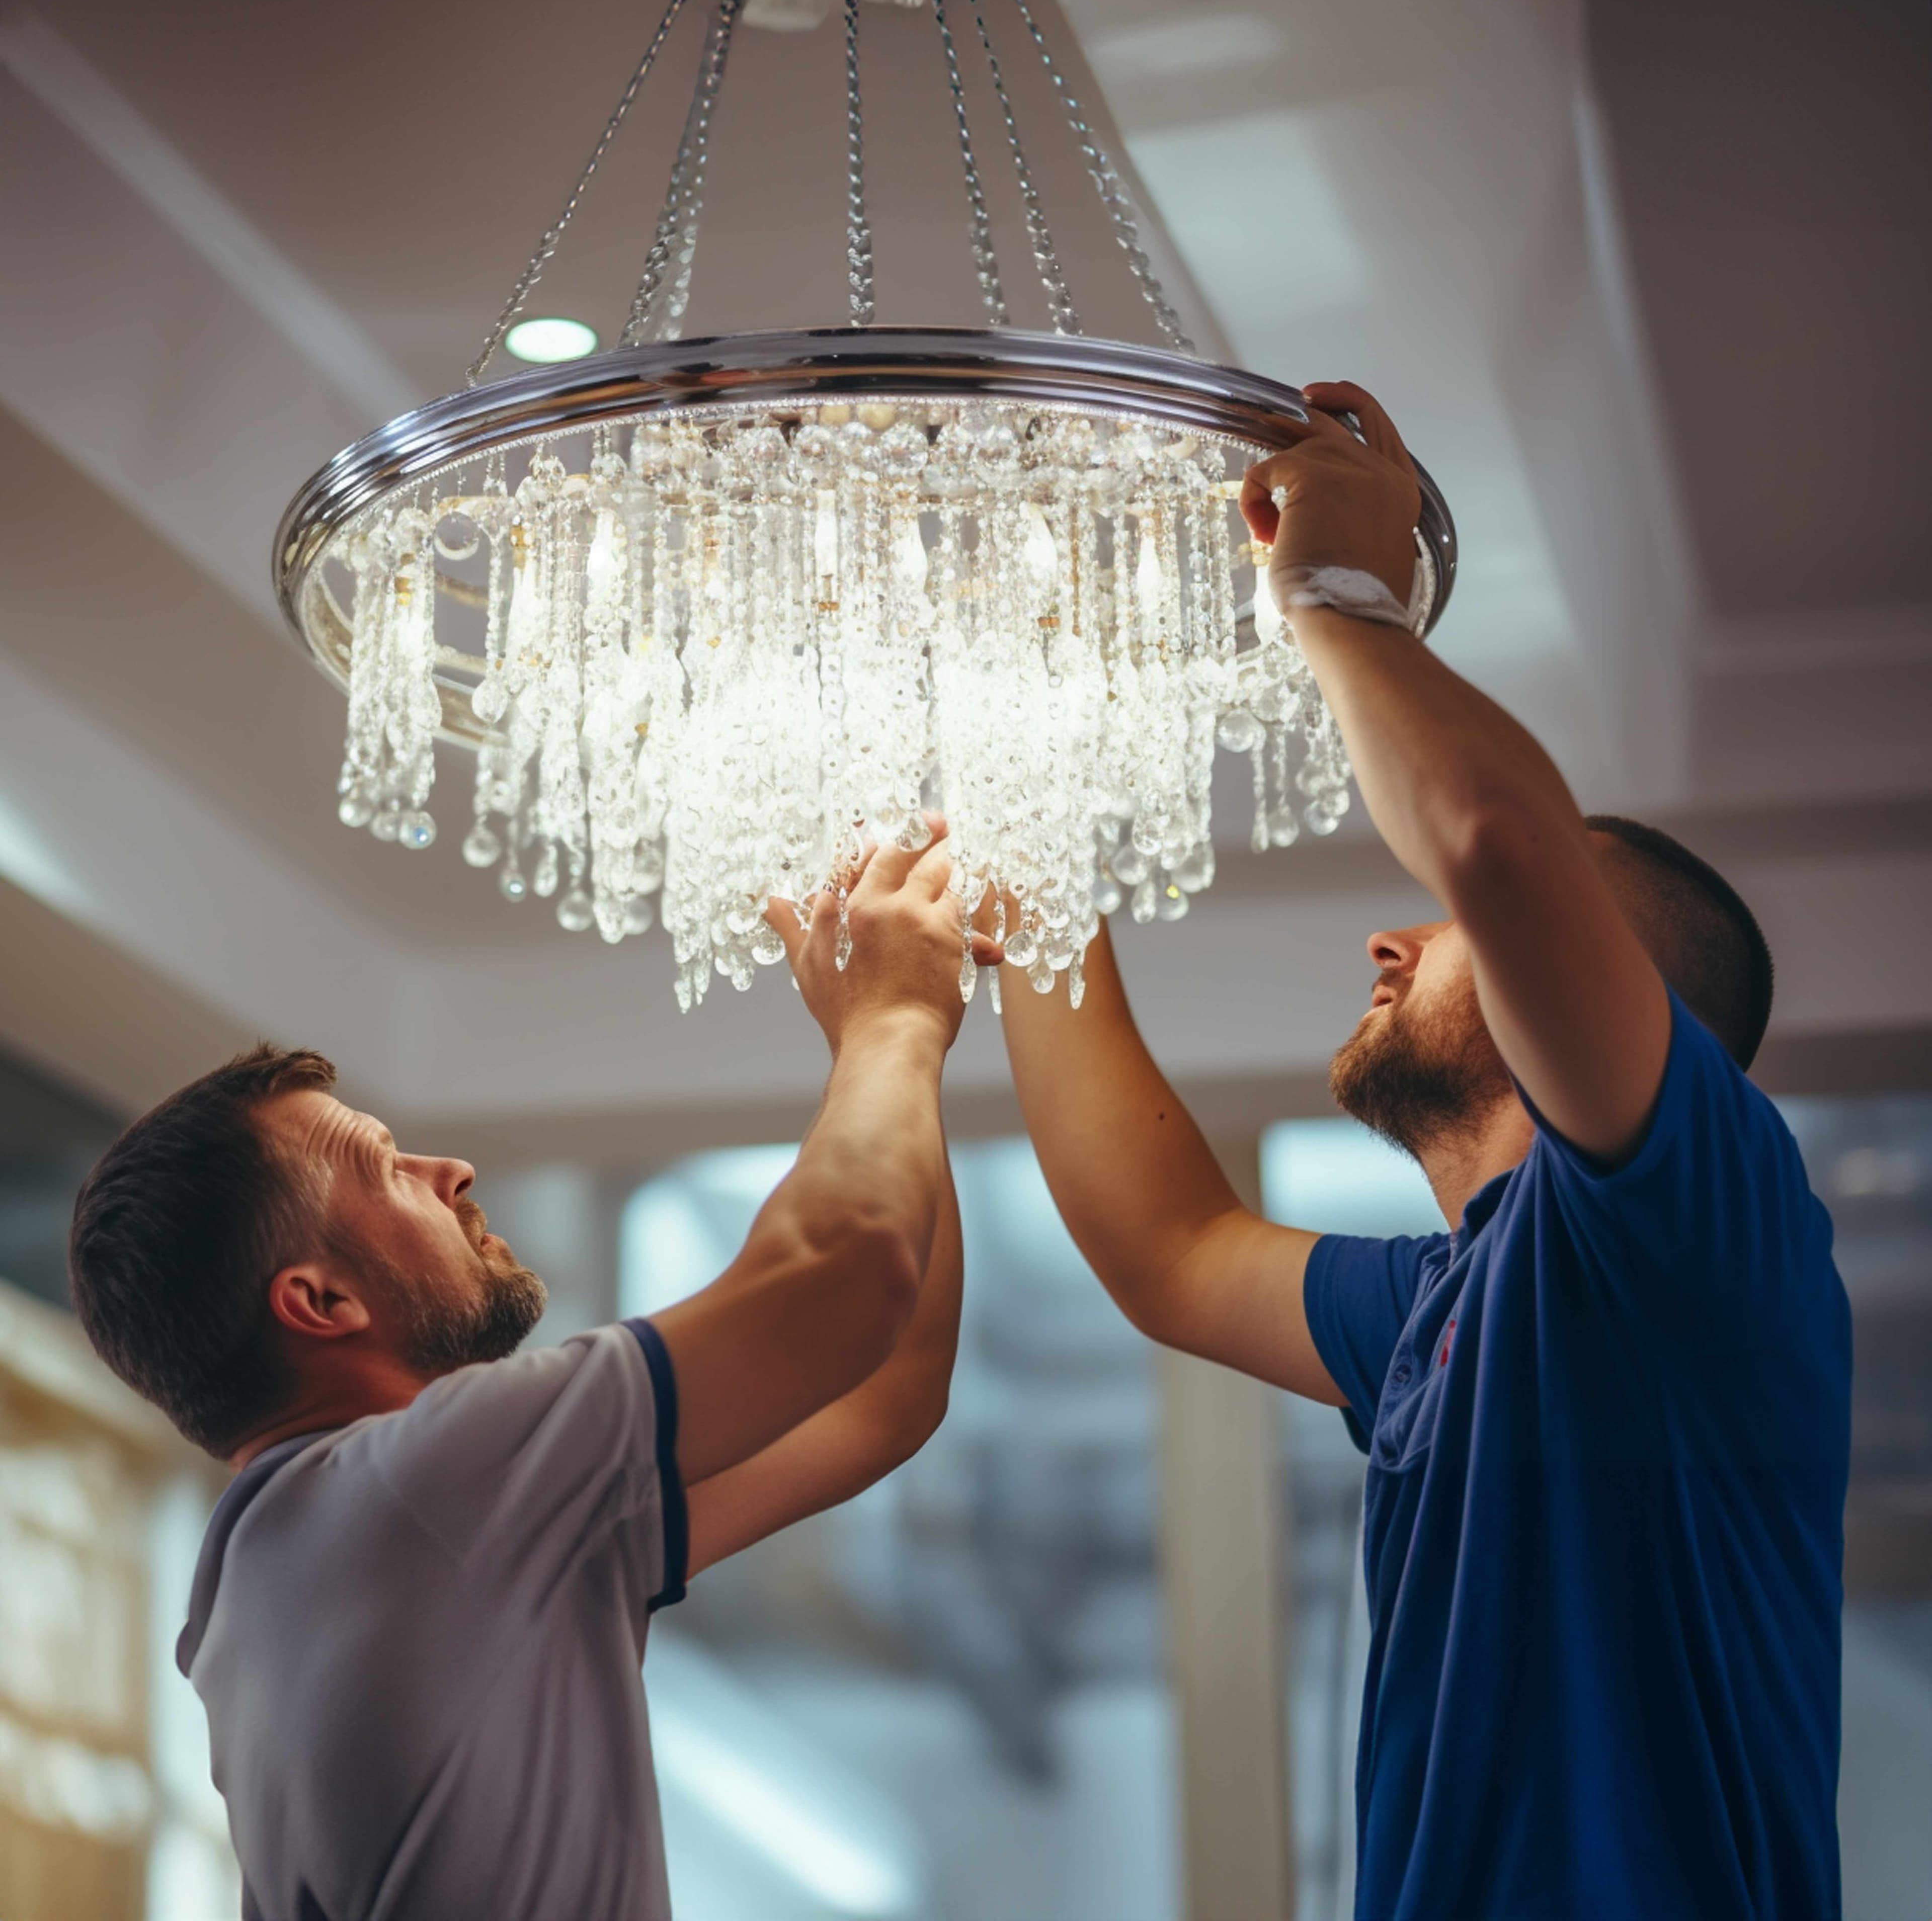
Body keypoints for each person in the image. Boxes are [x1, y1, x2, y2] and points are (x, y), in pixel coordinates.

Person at [998, 384, 1849, 1920]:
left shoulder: (1712, 1230)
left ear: (1603, 990)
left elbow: (1501, 847)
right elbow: (1171, 1250)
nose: (1391, 939)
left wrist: (1337, 596)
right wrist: (1032, 843)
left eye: (1457, 936)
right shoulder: (1455, 1307)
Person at [67, 823, 1002, 1921]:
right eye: (386, 1167)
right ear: (321, 1304)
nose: (450, 1169)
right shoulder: (419, 1483)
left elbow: (879, 1391)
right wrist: (890, 1016)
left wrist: (899, 1044)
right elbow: (845, 1279)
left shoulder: (301, 1568)